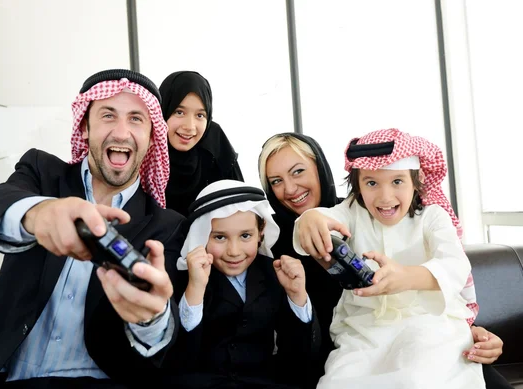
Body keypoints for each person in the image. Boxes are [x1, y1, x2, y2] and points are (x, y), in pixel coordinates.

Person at [0, 69, 186, 389]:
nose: (122, 132)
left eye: (136, 119)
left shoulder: (167, 226)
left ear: (152, 137)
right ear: (84, 127)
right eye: (108, 115)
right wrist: (41, 214)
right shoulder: (42, 174)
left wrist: (151, 319)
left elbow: (160, 337)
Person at [259, 132, 509, 389]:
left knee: (416, 378)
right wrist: (310, 220)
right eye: (371, 183)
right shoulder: (346, 213)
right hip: (362, 335)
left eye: (397, 181)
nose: (385, 196)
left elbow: (455, 266)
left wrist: (407, 278)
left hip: (426, 327)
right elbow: (326, 220)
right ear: (358, 185)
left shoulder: (431, 218)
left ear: (417, 182)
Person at [164, 179, 320, 389]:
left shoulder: (274, 273)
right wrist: (195, 289)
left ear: (260, 232)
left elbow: (298, 356)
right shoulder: (185, 278)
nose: (234, 251)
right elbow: (178, 360)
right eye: (220, 237)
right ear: (201, 236)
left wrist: (297, 296)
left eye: (245, 236)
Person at [159, 71, 244, 216]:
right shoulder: (146, 149)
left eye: (200, 115)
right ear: (162, 111)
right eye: (179, 112)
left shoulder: (215, 143)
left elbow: (241, 206)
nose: (189, 126)